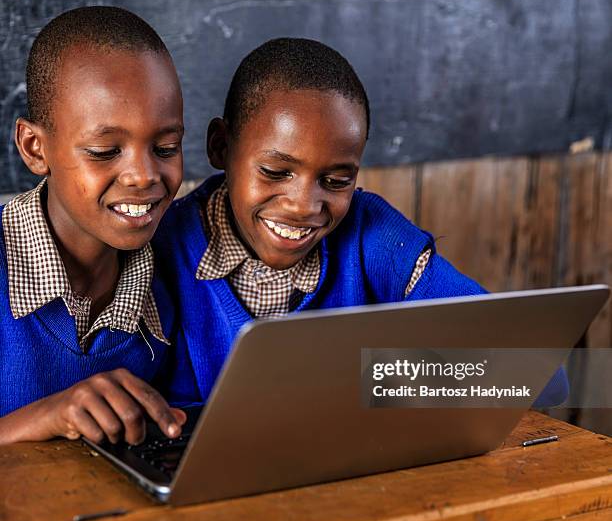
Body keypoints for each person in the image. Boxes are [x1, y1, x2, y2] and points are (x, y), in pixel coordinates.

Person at [154, 37, 568, 407]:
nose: (303, 206)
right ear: (220, 147)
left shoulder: (376, 239)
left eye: (336, 180)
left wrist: (374, 379)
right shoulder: (162, 249)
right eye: (276, 173)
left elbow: (541, 377)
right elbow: (111, 398)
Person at [0, 6, 187, 445]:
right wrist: (47, 417)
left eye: (166, 147)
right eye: (105, 151)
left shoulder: (178, 268)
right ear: (34, 147)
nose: (144, 176)